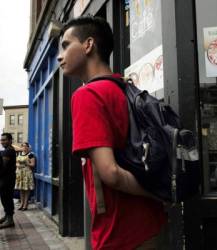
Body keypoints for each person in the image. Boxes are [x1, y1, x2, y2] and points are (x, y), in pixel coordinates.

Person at [57, 16, 167, 249]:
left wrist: (159, 193)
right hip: (151, 225)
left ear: (88, 45)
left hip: (119, 234)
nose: (60, 55)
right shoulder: (125, 88)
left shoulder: (87, 96)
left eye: (66, 45)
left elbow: (111, 174)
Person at [0, 133, 16, 228]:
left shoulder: (8, 151)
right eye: (1, 140)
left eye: (4, 140)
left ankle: (10, 220)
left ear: (10, 140)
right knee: (5, 198)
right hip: (6, 179)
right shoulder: (7, 150)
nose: (2, 142)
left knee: (7, 199)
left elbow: (3, 167)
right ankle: (7, 217)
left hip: (7, 180)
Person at [15, 142, 35, 211]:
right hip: (20, 173)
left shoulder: (31, 155)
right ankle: (21, 203)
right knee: (21, 189)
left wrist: (27, 163)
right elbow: (16, 162)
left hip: (27, 173)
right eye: (23, 146)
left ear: (28, 147)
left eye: (26, 146)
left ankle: (25, 204)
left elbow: (32, 164)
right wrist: (17, 165)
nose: (24, 147)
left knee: (26, 189)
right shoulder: (19, 154)